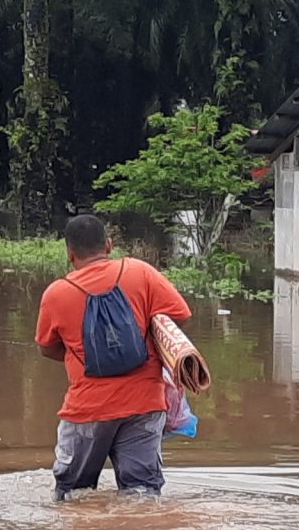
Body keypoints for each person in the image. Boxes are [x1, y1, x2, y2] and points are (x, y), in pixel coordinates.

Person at [35, 214, 192, 499]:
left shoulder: (56, 294)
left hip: (87, 409)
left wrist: (85, 356)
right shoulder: (140, 272)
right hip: (144, 405)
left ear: (70, 254)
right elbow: (179, 316)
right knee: (142, 494)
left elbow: (47, 347)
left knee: (72, 496)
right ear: (108, 245)